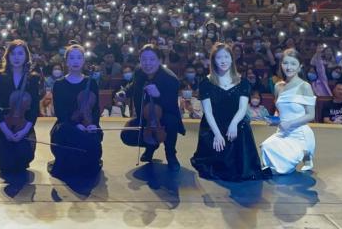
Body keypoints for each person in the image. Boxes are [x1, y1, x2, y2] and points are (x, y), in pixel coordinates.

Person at [191, 43, 267, 181]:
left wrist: (233, 124)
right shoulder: (206, 83)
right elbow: (208, 112)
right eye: (219, 57)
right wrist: (217, 134)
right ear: (213, 60)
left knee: (242, 127)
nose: (223, 61)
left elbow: (242, 108)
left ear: (232, 59)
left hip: (235, 121)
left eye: (226, 57)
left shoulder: (242, 82)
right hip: (214, 124)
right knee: (219, 163)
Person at [121, 44, 185, 172]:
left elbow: (172, 105)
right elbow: (133, 85)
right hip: (145, 115)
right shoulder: (139, 71)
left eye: (152, 59)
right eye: (144, 59)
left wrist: (158, 95)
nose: (147, 63)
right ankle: (151, 147)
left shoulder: (170, 79)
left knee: (171, 121)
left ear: (159, 60)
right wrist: (124, 93)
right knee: (127, 135)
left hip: (166, 117)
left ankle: (171, 154)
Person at [49, 44, 103, 178]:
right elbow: (60, 113)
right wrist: (76, 125)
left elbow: (95, 109)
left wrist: (93, 124)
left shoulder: (91, 82)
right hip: (67, 126)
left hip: (88, 124)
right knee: (66, 130)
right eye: (72, 58)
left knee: (93, 133)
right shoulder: (59, 84)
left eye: (79, 58)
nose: (75, 61)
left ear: (83, 61)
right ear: (66, 62)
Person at [261, 48, 317, 174]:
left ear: (300, 66)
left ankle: (306, 153)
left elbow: (311, 115)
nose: (288, 67)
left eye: (293, 64)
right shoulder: (278, 86)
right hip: (282, 131)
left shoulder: (305, 86)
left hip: (299, 133)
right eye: (285, 63)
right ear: (281, 65)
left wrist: (290, 123)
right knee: (265, 147)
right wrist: (275, 119)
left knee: (284, 169)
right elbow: (279, 110)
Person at [0, 40, 41, 173]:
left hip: (24, 125)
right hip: (5, 125)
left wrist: (24, 131)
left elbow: (34, 108)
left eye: (20, 54)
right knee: (7, 164)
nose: (16, 57)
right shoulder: (0, 77)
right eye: (13, 54)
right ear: (8, 56)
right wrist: (6, 131)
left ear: (26, 56)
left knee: (22, 159)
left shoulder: (33, 78)